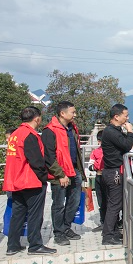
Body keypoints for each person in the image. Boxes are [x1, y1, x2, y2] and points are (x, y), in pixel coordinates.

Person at [4, 106, 56, 255]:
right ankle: (35, 245)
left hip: (16, 180)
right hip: (30, 181)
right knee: (35, 214)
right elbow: (36, 161)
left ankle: (12, 245)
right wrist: (44, 178)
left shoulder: (15, 134)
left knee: (18, 213)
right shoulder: (29, 135)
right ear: (37, 118)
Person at [101, 104, 133, 245]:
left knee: (117, 202)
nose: (127, 118)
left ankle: (114, 231)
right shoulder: (110, 132)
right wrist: (129, 131)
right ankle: (108, 235)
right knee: (115, 204)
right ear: (116, 116)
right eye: (125, 115)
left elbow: (129, 140)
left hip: (115, 170)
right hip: (113, 171)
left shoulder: (115, 130)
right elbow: (126, 144)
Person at [42, 101, 86, 246]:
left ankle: (66, 227)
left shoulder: (71, 128)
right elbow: (49, 156)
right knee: (59, 204)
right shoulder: (50, 130)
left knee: (74, 201)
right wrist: (60, 174)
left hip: (74, 170)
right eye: (73, 112)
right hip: (59, 174)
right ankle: (59, 233)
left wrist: (79, 171)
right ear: (62, 113)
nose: (75, 114)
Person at [89, 131, 106, 232]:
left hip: (109, 178)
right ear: (99, 141)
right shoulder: (95, 152)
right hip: (99, 178)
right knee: (101, 202)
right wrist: (98, 166)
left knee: (111, 202)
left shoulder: (112, 151)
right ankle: (103, 222)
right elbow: (90, 166)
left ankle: (114, 223)